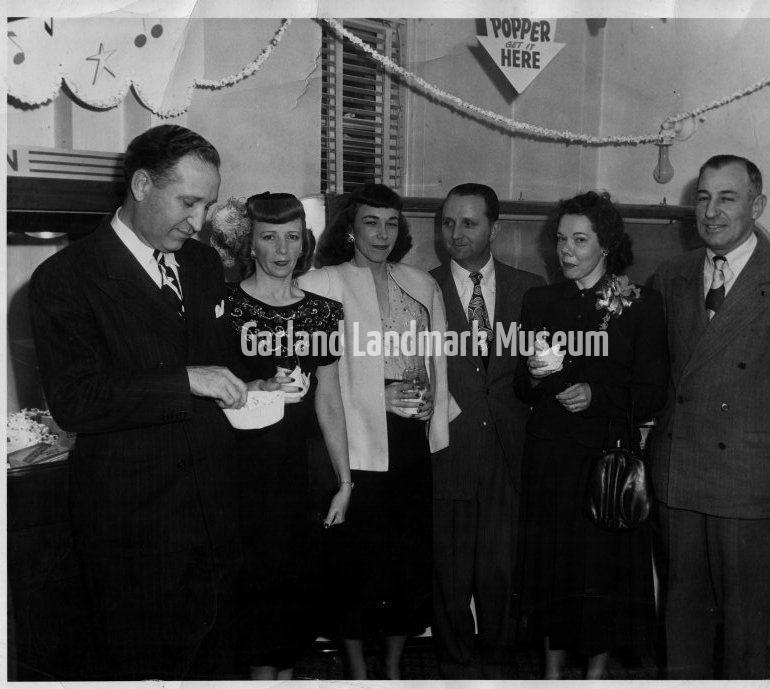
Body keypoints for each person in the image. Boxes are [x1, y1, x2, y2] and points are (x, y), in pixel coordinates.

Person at [28, 124, 248, 680]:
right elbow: (76, 401)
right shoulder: (65, 277)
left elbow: (216, 363)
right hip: (134, 532)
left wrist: (255, 386)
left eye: (208, 205)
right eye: (188, 202)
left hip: (215, 517)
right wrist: (185, 381)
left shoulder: (202, 265)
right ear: (143, 184)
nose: (199, 221)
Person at [649, 154, 770, 679]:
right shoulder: (672, 275)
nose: (711, 211)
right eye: (703, 198)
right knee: (681, 626)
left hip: (751, 486)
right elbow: (655, 376)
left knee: (743, 634)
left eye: (727, 199)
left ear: (757, 206)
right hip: (679, 477)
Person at [297, 183, 455, 680]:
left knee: (406, 561)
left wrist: (431, 403)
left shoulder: (421, 283)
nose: (382, 234)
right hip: (351, 442)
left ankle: (392, 667)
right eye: (371, 222)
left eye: (391, 223)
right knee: (352, 563)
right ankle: (358, 670)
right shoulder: (321, 283)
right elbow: (310, 382)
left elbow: (436, 360)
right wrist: (375, 397)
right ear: (349, 227)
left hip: (408, 443)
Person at [514, 190, 668, 679]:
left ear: (607, 245)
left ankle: (594, 678)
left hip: (606, 462)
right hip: (550, 459)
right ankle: (552, 675)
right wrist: (534, 375)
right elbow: (522, 386)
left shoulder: (640, 304)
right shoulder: (539, 301)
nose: (566, 250)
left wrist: (596, 396)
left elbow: (652, 392)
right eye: (561, 239)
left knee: (602, 576)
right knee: (551, 575)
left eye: (580, 240)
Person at [208, 192, 351, 679]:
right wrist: (252, 389)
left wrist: (345, 482)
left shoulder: (324, 312)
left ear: (305, 242)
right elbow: (205, 391)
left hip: (301, 476)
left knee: (293, 607)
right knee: (255, 607)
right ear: (250, 245)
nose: (282, 249)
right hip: (242, 475)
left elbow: (330, 399)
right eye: (269, 237)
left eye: (292, 237)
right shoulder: (224, 306)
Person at [429, 183, 544, 678]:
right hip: (447, 452)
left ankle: (499, 669)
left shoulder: (530, 288)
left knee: (503, 572)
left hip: (509, 452)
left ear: (494, 229)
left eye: (469, 223)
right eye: (448, 222)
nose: (455, 233)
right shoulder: (421, 286)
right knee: (448, 576)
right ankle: (455, 670)